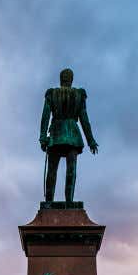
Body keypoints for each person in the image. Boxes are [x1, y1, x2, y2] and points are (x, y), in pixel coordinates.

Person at [40, 68, 98, 203]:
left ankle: (49, 202)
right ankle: (69, 202)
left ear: (61, 79)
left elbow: (45, 117)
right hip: (72, 135)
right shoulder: (78, 95)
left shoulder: (52, 93)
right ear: (71, 80)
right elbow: (84, 120)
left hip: (56, 134)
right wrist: (91, 141)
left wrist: (43, 137)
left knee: (52, 171)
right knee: (71, 170)